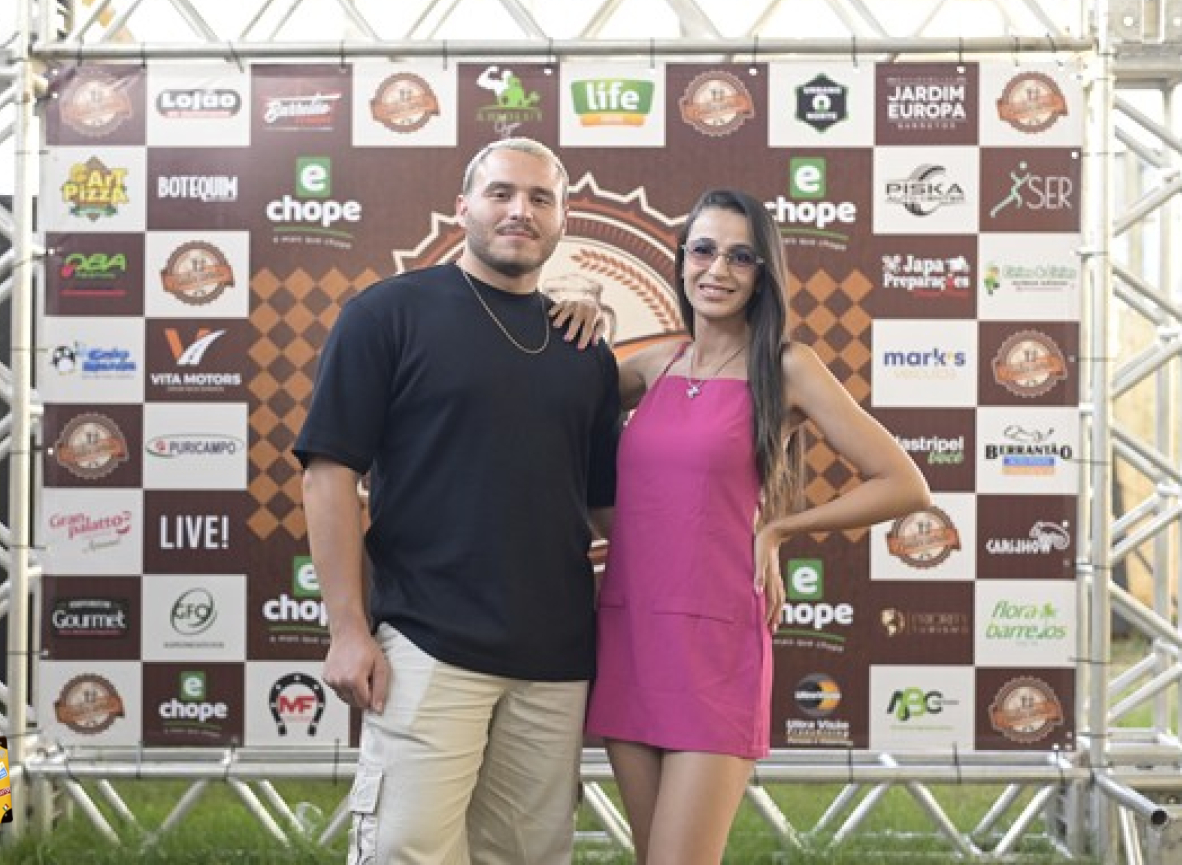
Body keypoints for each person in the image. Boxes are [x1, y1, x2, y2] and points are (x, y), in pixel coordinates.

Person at [293, 138, 620, 864]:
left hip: (556, 655)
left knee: (529, 857)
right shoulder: (387, 314)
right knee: (405, 851)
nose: (519, 210)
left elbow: (609, 507)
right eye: (501, 193)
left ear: (563, 220)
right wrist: (347, 628)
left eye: (540, 198)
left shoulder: (584, 349)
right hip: (426, 642)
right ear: (462, 206)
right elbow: (328, 474)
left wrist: (744, 543)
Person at [583, 188, 931, 864]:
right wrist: (571, 318)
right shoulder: (653, 366)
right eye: (703, 250)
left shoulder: (786, 367)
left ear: (761, 273)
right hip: (630, 631)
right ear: (681, 260)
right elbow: (547, 400)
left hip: (717, 641)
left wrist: (777, 532)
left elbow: (903, 483)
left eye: (739, 257)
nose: (717, 269)